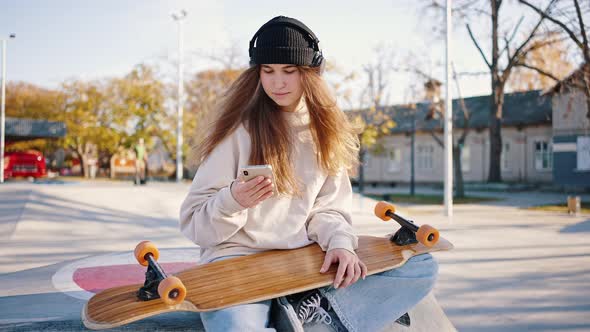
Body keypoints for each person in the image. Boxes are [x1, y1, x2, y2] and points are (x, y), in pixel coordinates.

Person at [179, 16, 438, 332]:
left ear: (311, 74)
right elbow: (195, 225)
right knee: (235, 327)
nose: (278, 83)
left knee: (421, 266)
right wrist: (231, 201)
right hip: (236, 263)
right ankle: (316, 316)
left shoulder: (324, 134)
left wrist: (340, 244)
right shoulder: (238, 132)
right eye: (268, 71)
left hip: (299, 265)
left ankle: (314, 316)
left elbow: (328, 210)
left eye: (290, 71)